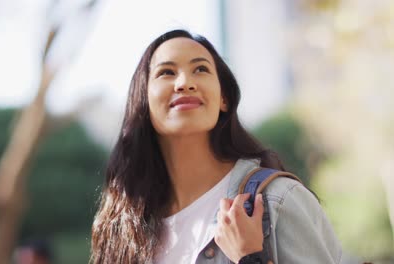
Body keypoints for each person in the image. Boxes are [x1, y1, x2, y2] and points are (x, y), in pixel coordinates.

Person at [90, 29, 342, 264]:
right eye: (166, 72)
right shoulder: (124, 228)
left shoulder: (278, 200)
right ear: (143, 100)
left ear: (224, 98)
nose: (184, 83)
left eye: (200, 69)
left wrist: (249, 258)